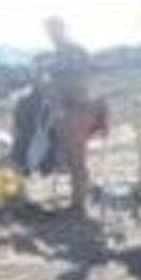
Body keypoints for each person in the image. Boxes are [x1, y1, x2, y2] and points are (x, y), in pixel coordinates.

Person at [43, 16, 104, 214]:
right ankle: (82, 196)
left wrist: (57, 91)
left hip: (76, 109)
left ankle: (79, 203)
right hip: (70, 109)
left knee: (76, 158)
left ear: (61, 30)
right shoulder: (64, 52)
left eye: (53, 31)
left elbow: (79, 82)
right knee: (73, 158)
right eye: (49, 31)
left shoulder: (71, 52)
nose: (51, 35)